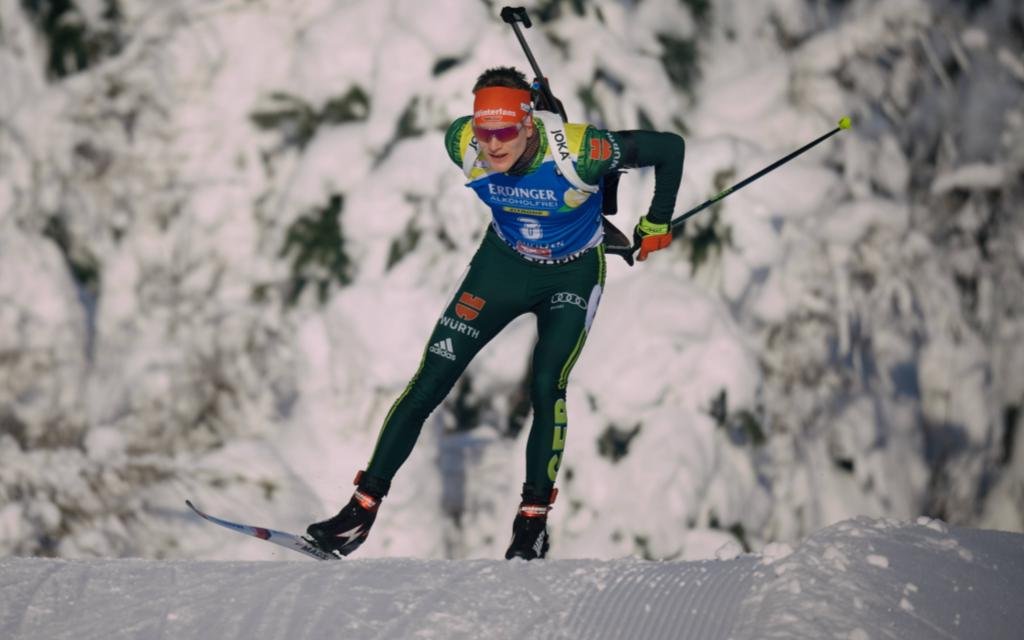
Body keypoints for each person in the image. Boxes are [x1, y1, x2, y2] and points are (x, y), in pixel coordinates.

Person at [306, 66, 685, 560]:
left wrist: (657, 220)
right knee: (431, 378)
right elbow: (486, 135)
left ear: (529, 124)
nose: (493, 146)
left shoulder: (583, 151)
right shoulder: (460, 141)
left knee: (547, 384)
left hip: (569, 276)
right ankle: (359, 512)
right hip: (501, 266)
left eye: (505, 132)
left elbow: (669, 148)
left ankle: (531, 525)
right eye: (485, 133)